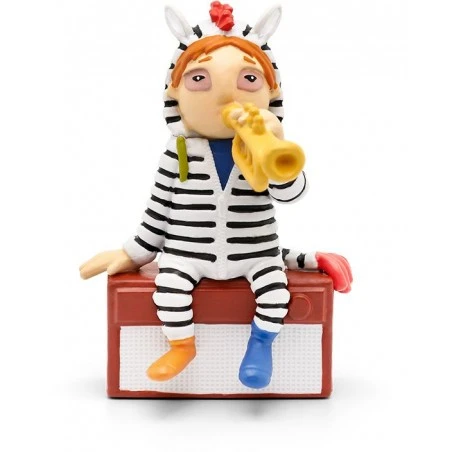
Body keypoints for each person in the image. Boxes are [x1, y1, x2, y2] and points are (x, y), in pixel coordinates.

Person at [80, 2, 352, 389]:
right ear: (175, 92)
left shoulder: (266, 144)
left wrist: (275, 148)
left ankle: (261, 343)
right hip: (187, 255)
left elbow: (290, 194)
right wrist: (134, 252)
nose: (226, 96)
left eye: (249, 79)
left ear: (271, 91)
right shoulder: (177, 153)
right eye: (199, 79)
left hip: (254, 253)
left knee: (275, 292)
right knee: (169, 289)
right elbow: (158, 210)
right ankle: (181, 345)